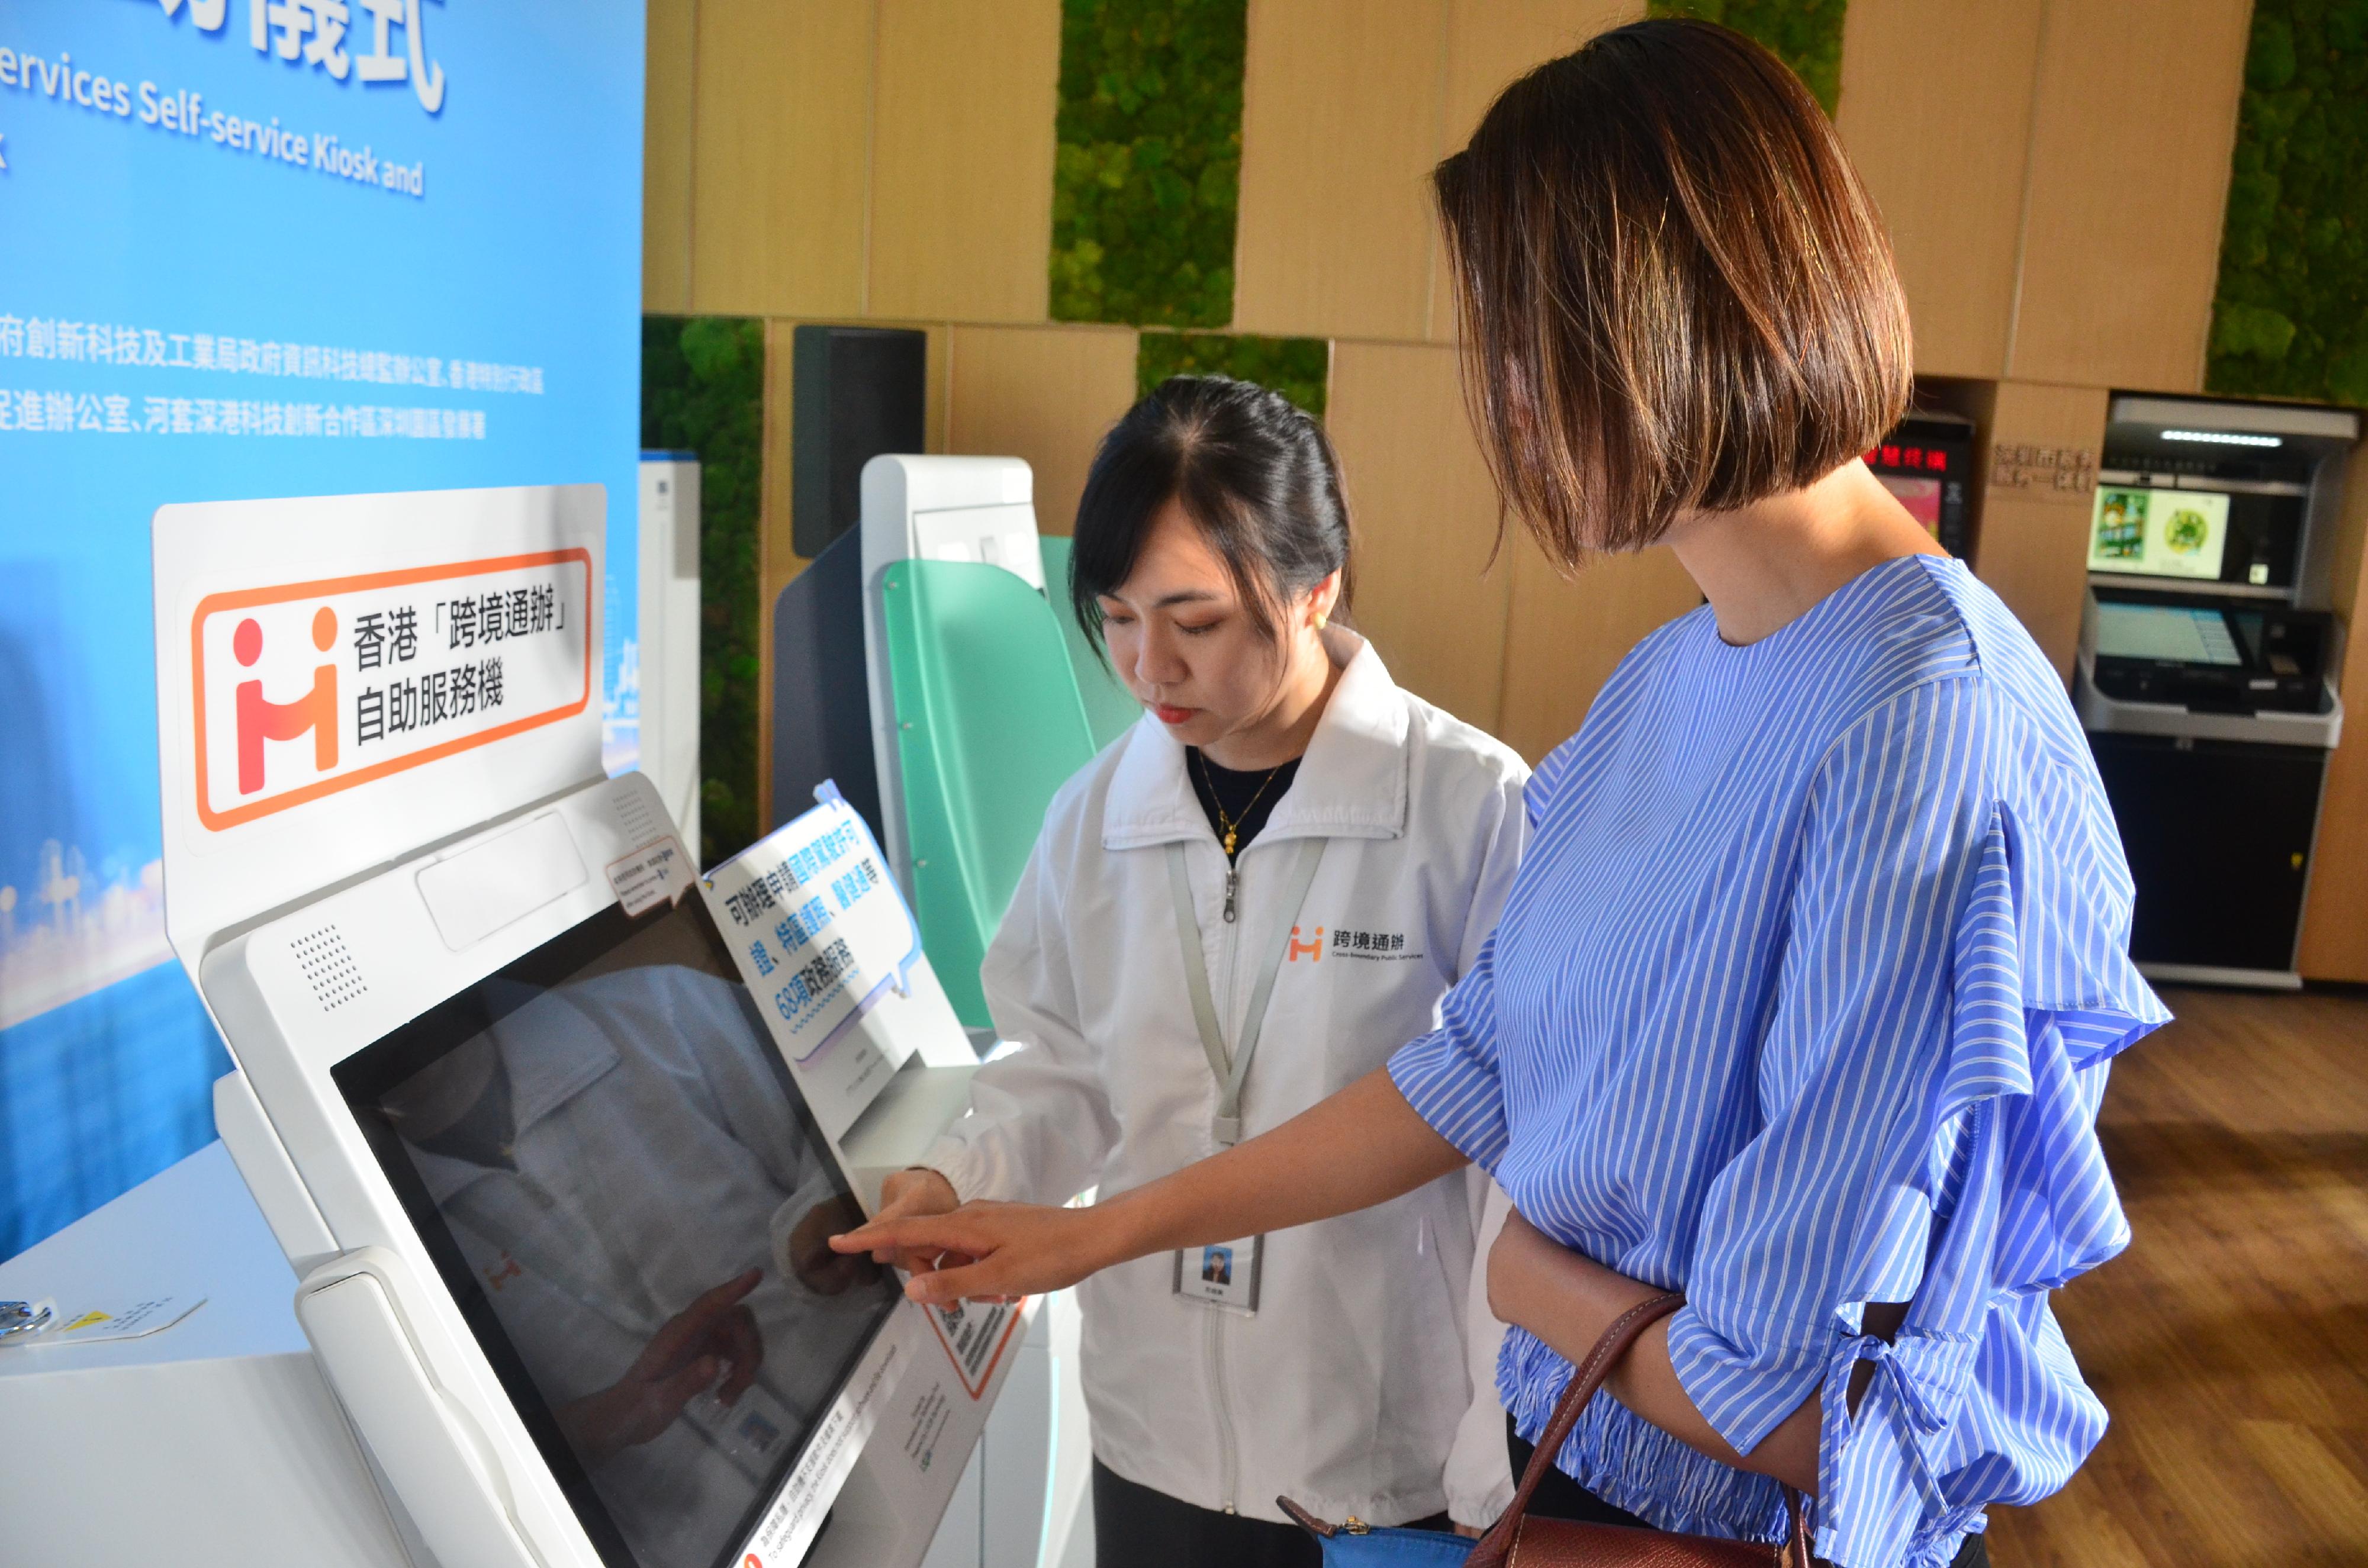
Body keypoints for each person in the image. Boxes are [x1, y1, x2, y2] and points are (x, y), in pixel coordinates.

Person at [835, 22, 2168, 1568]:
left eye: (1526, 345)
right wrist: (1094, 1230)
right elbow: (1467, 1078)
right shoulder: (1675, 677)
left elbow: (1790, 1389)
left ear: (1672, 315)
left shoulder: (1922, 728)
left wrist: (1534, 1275)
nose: (1505, 408)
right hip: (1555, 1482)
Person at [855, 375, 1532, 1566]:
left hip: (1381, 1452)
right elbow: (1055, 1068)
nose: (1146, 665)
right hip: (1152, 1437)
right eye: (1115, 617)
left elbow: (1508, 1171)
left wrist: (1494, 1448)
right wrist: (950, 1177)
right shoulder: (1096, 813)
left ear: (1314, 589)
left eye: (1194, 620)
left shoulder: (1469, 808)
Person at [381, 960, 890, 1566]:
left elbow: (875, 1120)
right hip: (695, 1542)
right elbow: (437, 1467)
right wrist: (590, 1429)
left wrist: (832, 1217)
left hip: (884, 1413)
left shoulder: (663, 1008)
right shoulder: (375, 1223)